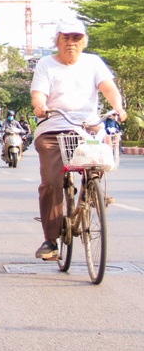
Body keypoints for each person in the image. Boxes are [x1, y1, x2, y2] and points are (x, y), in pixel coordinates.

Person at [30, 19, 126, 260]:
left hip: (87, 128)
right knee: (52, 183)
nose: (71, 43)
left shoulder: (93, 62)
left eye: (76, 38)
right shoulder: (46, 65)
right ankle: (50, 241)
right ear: (57, 41)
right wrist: (40, 106)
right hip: (53, 128)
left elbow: (109, 88)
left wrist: (118, 107)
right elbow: (38, 94)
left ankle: (90, 191)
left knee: (103, 150)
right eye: (66, 38)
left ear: (83, 42)